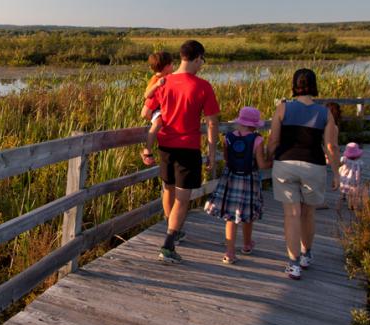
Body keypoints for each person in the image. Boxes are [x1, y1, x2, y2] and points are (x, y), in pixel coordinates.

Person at [140, 40, 220, 263]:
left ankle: (171, 230)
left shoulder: (163, 82)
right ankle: (168, 243)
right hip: (187, 147)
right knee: (183, 198)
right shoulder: (203, 86)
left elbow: (146, 111)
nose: (202, 65)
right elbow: (212, 123)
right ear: (196, 58)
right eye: (202, 60)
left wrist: (162, 118)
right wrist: (212, 152)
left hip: (165, 146)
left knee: (168, 190)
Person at [267, 68, 340, 280]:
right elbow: (331, 146)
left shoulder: (283, 108)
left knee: (292, 214)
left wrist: (267, 157)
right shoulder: (324, 112)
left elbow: (274, 140)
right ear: (314, 85)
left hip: (285, 163)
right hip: (313, 165)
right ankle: (306, 254)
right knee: (308, 213)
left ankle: (293, 263)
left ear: (294, 85)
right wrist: (336, 172)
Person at [204, 106, 271, 264]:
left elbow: (227, 158)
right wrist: (271, 160)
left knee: (230, 216)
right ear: (254, 125)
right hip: (249, 179)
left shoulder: (228, 137)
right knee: (247, 213)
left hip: (231, 177)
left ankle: (230, 252)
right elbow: (261, 164)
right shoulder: (257, 140)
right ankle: (247, 244)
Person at [338, 142, 364, 209]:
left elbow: (340, 161)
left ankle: (343, 197)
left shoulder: (345, 160)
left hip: (345, 179)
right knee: (353, 192)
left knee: (345, 189)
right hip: (354, 180)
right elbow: (361, 169)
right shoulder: (360, 162)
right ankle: (353, 205)